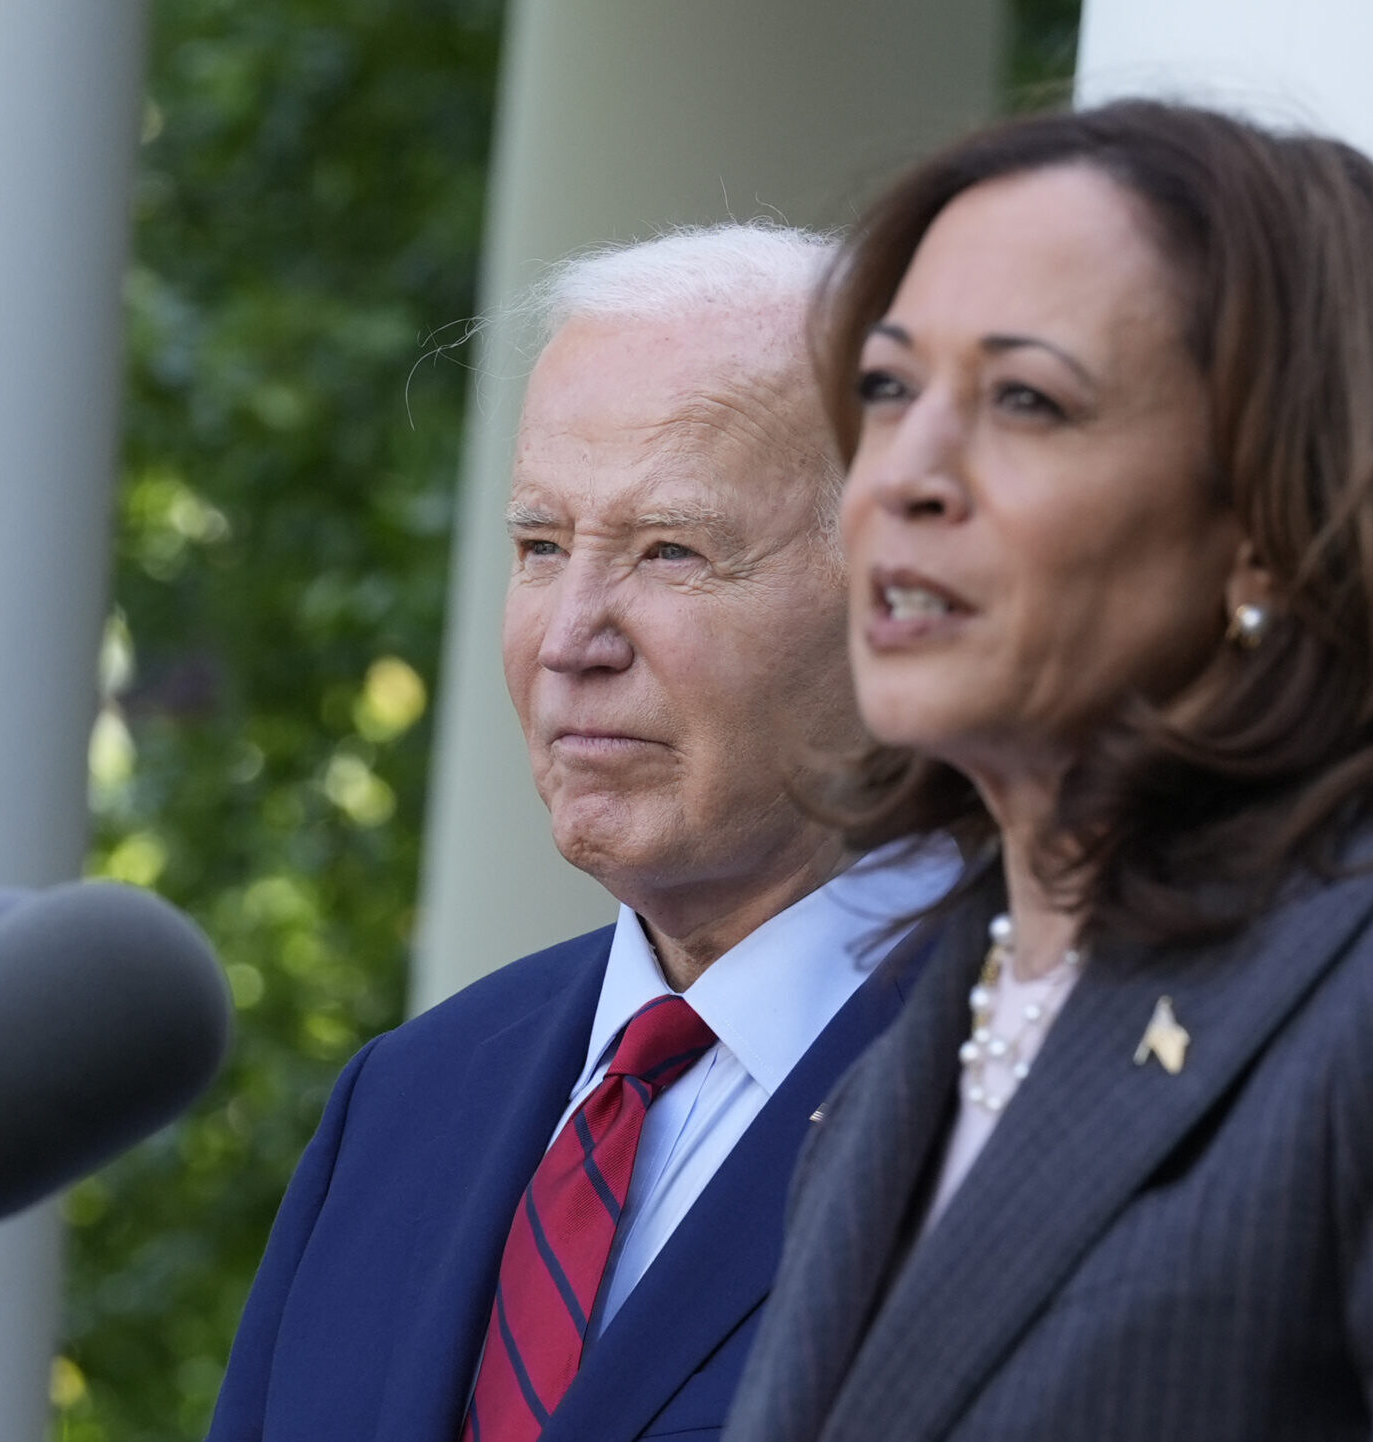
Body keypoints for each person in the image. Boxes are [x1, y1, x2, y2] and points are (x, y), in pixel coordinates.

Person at [723, 101, 1373, 1442]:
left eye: (1027, 399)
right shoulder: (907, 1041)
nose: (906, 473)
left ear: (1266, 520)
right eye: (890, 388)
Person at [206, 223, 960, 1442]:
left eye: (670, 550)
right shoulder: (405, 1100)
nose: (570, 637)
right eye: (539, 546)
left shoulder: (1046, 1085)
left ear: (905, 593)